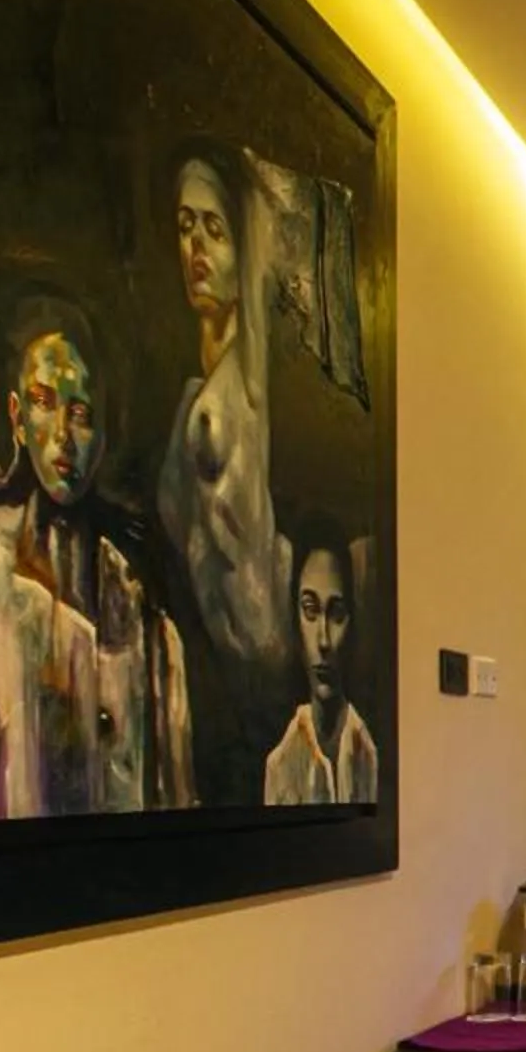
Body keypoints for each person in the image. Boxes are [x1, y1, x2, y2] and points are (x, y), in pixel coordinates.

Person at [0, 295, 193, 821]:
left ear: (102, 431)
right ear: (17, 416)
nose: (61, 438)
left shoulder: (132, 607)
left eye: (79, 414)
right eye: (43, 401)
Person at [158, 144, 293, 671]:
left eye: (215, 230)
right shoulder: (194, 394)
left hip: (261, 646)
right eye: (186, 226)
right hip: (220, 661)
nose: (196, 247)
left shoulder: (246, 382)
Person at [262, 532, 378, 805]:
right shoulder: (280, 766)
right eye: (310, 610)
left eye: (336, 614)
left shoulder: (370, 755)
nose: (324, 640)